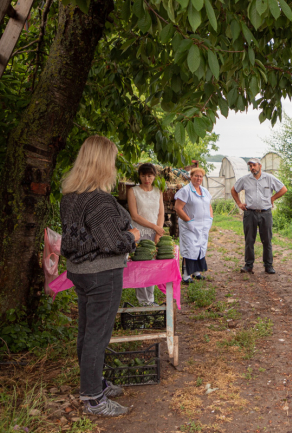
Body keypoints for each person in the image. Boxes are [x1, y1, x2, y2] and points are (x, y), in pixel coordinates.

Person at [60, 136, 140, 416]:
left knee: (87, 332)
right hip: (101, 273)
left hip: (79, 271)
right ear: (104, 163)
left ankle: (94, 385)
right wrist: (132, 236)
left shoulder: (70, 196)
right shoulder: (99, 201)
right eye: (113, 160)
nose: (115, 166)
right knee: (97, 336)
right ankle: (93, 399)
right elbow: (112, 243)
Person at [231, 158, 287, 274]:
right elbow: (233, 190)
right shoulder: (245, 179)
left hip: (265, 213)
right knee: (249, 240)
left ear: (260, 166)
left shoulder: (269, 178)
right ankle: (248, 265)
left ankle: (268, 265)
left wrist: (273, 198)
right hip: (250, 213)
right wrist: (239, 204)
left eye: (254, 165)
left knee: (267, 240)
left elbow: (283, 189)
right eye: (250, 166)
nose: (252, 168)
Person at [127, 163, 165, 307]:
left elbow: (161, 214)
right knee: (140, 267)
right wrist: (155, 227)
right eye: (143, 175)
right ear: (139, 176)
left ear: (154, 176)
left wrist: (158, 232)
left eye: (149, 175)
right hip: (139, 234)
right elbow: (134, 216)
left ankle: (151, 299)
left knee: (152, 267)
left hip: (154, 234)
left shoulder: (158, 192)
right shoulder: (133, 191)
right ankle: (143, 301)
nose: (146, 179)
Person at [174, 167, 214, 284]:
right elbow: (178, 208)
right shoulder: (185, 191)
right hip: (189, 226)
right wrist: (189, 221)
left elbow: (209, 206)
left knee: (200, 247)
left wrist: (210, 218)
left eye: (200, 176)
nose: (198, 178)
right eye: (196, 176)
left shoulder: (204, 191)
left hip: (203, 226)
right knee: (190, 249)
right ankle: (186, 275)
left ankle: (196, 272)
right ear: (191, 177)